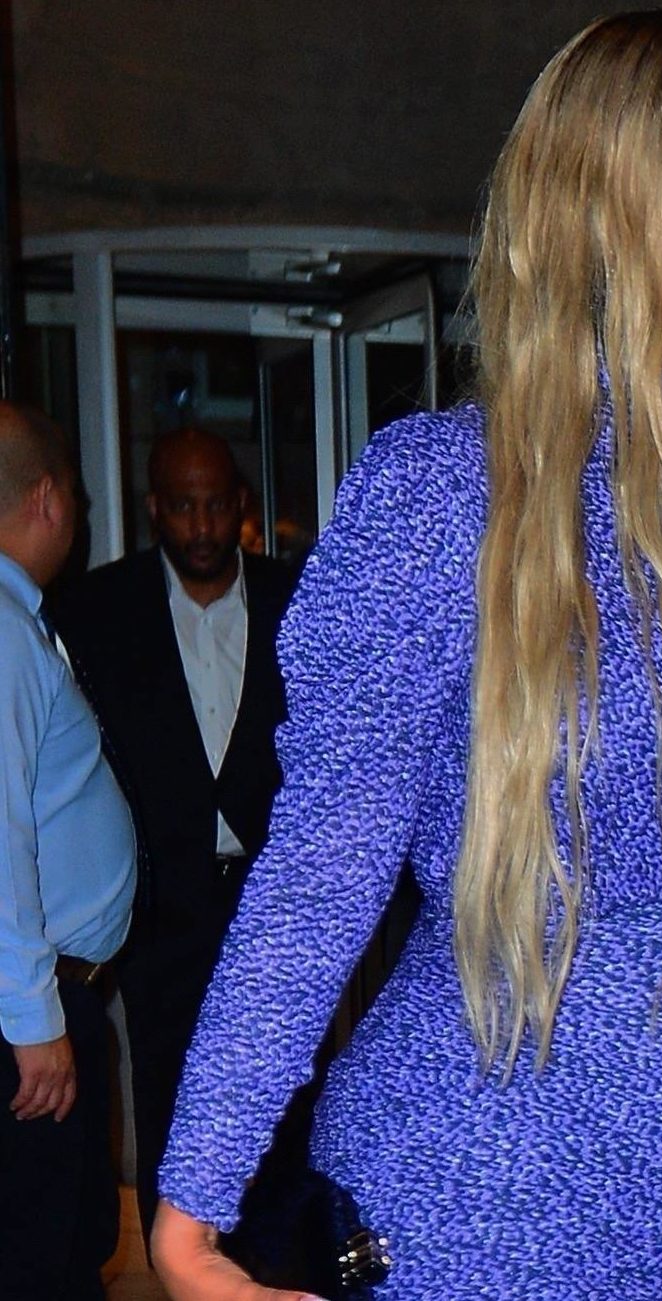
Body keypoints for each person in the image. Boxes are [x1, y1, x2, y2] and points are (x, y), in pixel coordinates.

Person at [148, 12, 662, 1299]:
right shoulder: (452, 497)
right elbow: (322, 868)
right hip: (473, 1214)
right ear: (627, 196)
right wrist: (192, 1203)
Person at [48, 428, 296, 1247]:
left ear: (240, 505)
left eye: (215, 504)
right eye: (183, 506)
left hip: (272, 901)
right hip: (163, 909)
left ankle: (275, 1261)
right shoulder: (98, 610)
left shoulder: (295, 598)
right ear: (155, 508)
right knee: (169, 1091)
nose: (201, 525)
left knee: (283, 1095)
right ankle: (180, 1264)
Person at [0, 400, 138, 1299]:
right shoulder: (4, 632)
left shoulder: (19, 620)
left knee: (66, 1247)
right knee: (44, 1265)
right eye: (77, 501)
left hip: (49, 994)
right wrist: (35, 1020)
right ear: (49, 498)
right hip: (33, 1010)